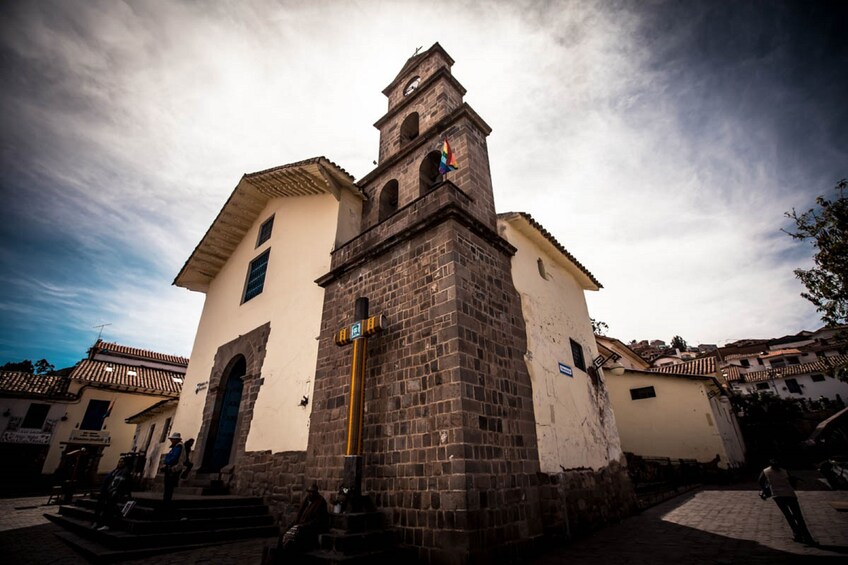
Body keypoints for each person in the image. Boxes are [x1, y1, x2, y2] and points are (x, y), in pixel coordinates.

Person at [758, 458, 816, 545]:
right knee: (798, 516)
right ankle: (807, 537)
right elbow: (791, 482)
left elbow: (760, 481)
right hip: (789, 494)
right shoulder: (784, 471)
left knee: (788, 515)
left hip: (777, 495)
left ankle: (797, 534)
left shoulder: (766, 471)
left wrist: (766, 489)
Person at [279, 483, 329, 554]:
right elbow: (299, 516)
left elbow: (318, 520)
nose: (310, 494)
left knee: (293, 538)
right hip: (301, 525)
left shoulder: (320, 502)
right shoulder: (306, 501)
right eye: (309, 492)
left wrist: (303, 525)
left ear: (315, 493)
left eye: (312, 492)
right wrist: (293, 524)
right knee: (283, 534)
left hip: (311, 528)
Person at [92, 457, 132, 531]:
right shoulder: (115, 470)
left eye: (122, 462)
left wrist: (116, 491)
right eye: (119, 461)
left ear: (125, 463)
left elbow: (121, 482)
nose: (120, 463)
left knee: (109, 508)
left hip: (115, 492)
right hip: (108, 491)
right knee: (101, 506)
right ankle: (97, 522)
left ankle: (106, 524)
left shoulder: (125, 472)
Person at [162, 432, 184, 506]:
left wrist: (167, 461)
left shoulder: (178, 447)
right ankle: (166, 500)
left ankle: (167, 501)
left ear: (176, 440)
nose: (171, 441)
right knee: (168, 486)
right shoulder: (176, 446)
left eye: (172, 439)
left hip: (173, 468)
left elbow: (174, 458)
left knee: (169, 485)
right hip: (171, 467)